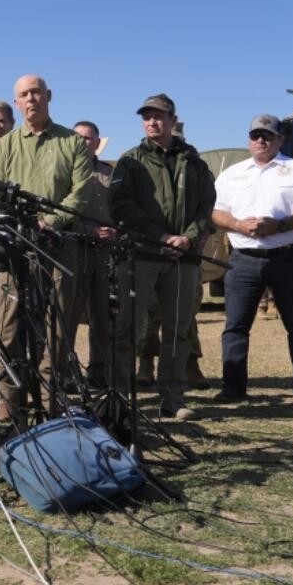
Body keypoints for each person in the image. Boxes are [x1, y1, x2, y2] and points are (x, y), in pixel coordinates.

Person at [0, 74, 92, 422]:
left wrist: (50, 221)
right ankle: (9, 405)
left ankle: (51, 402)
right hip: (14, 250)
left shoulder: (72, 142)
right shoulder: (5, 146)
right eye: (23, 95)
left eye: (36, 92)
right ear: (17, 103)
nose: (31, 99)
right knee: (8, 326)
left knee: (57, 329)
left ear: (49, 96)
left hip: (58, 246)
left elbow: (81, 192)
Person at [211, 115, 293, 409]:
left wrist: (280, 225)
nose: (260, 141)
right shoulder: (231, 174)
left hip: (287, 257)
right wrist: (239, 225)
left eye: (267, 135)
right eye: (255, 135)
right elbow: (216, 212)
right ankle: (233, 389)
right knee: (235, 327)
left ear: (280, 140)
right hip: (243, 260)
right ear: (248, 139)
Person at [109, 95, 216, 420]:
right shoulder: (130, 161)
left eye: (159, 116)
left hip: (183, 259)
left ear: (173, 120)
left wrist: (189, 238)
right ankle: (121, 398)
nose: (152, 122)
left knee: (178, 329)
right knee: (127, 327)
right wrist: (161, 236)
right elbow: (121, 206)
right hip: (142, 255)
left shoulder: (194, 163)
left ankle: (172, 397)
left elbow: (206, 207)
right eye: (147, 117)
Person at [70, 120, 118, 387]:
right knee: (67, 318)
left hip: (103, 255)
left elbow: (122, 212)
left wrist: (116, 233)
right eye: (78, 138)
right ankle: (66, 373)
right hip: (72, 252)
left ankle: (99, 374)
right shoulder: (63, 172)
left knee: (102, 318)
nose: (83, 142)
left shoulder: (110, 175)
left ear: (98, 143)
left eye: (88, 138)